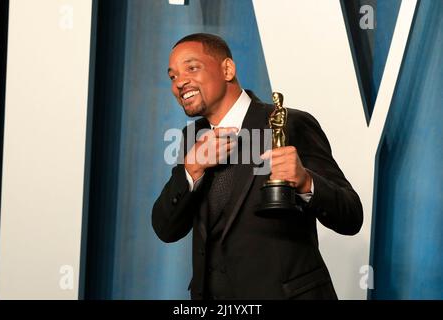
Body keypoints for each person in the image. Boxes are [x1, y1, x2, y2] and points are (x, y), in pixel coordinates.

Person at [152, 33, 363, 300]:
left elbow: (351, 215)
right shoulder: (191, 138)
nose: (180, 82)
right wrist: (190, 169)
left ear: (227, 69)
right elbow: (166, 229)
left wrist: (306, 182)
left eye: (192, 68)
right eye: (172, 76)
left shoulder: (288, 124)